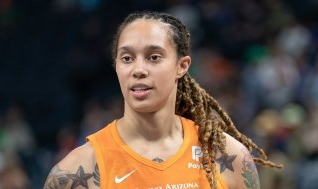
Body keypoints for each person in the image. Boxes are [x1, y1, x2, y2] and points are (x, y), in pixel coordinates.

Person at [43, 11, 282, 189]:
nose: (138, 69)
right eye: (126, 58)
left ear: (181, 66)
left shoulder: (228, 155)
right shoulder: (75, 171)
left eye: (154, 57)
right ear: (116, 66)